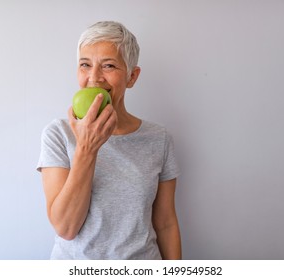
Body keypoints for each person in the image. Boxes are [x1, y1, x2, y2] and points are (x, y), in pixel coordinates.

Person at [37, 21, 181, 260]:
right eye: (85, 65)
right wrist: (86, 148)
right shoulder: (57, 134)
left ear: (132, 76)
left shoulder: (159, 139)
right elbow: (66, 228)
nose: (94, 78)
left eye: (109, 65)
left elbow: (166, 223)